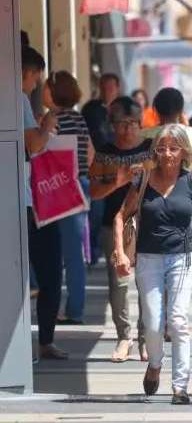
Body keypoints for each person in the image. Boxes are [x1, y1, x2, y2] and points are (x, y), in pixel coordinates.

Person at [112, 124, 192, 404]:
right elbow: (120, 216)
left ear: (184, 151)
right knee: (152, 324)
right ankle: (155, 363)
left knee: (178, 320)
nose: (167, 154)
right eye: (161, 148)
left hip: (181, 258)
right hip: (148, 259)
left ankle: (180, 386)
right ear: (155, 151)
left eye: (173, 148)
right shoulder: (143, 180)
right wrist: (120, 252)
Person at [89, 97, 154, 362]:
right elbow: (93, 192)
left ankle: (145, 339)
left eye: (131, 124)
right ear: (112, 125)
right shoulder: (105, 154)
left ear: (140, 124)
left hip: (149, 225)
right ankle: (123, 337)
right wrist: (118, 182)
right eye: (120, 124)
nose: (126, 130)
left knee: (147, 283)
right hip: (112, 225)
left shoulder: (153, 150)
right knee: (119, 284)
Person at [22, 46, 67, 359]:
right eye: (37, 75)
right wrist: (47, 124)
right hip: (29, 202)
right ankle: (45, 341)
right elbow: (34, 143)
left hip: (21, 198)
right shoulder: (18, 98)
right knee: (50, 273)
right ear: (27, 71)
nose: (37, 83)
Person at [42, 71, 94, 325]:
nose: (42, 91)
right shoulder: (79, 118)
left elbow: (44, 152)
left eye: (45, 87)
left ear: (54, 91)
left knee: (66, 253)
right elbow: (91, 152)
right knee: (74, 252)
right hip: (80, 184)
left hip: (63, 188)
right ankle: (73, 307)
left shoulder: (55, 119)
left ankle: (74, 311)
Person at [82, 73, 121, 266]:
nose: (107, 91)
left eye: (111, 87)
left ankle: (114, 249)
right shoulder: (90, 110)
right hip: (95, 169)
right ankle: (93, 252)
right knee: (95, 213)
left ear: (117, 88)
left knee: (114, 214)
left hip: (117, 170)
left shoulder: (123, 109)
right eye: (104, 87)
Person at [142, 88, 192, 175]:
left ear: (156, 109)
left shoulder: (143, 135)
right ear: (181, 110)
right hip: (183, 187)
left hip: (150, 187)